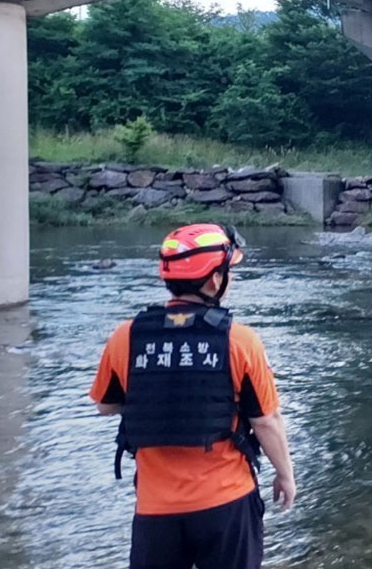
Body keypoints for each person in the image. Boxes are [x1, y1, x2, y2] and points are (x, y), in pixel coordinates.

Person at [90, 223, 296, 569]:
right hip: (226, 503)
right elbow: (265, 420)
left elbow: (105, 405)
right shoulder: (240, 341)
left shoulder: (126, 336)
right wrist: (285, 474)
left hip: (155, 510)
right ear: (215, 280)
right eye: (230, 271)